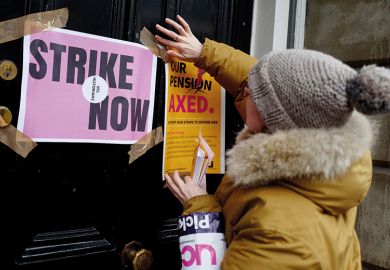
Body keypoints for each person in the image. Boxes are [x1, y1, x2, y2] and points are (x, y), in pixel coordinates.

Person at [156, 15, 390, 269]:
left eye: (255, 93)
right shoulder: (330, 155)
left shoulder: (281, 236)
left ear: (275, 119)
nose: (246, 90)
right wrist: (205, 54)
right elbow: (269, 83)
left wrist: (201, 211)